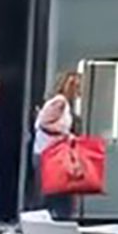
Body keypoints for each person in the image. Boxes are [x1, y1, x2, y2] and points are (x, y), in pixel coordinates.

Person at [33, 71, 81, 220]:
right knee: (51, 191)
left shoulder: (59, 103)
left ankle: (54, 217)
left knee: (55, 190)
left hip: (49, 153)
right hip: (49, 154)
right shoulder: (60, 102)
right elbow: (43, 123)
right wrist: (66, 133)